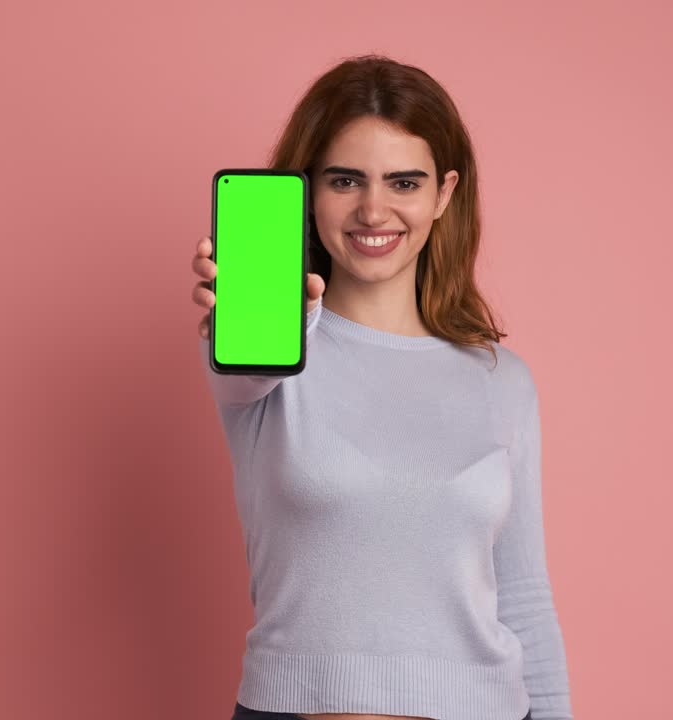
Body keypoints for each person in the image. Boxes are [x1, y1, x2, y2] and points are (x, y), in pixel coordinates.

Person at [192, 54, 572, 720]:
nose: (374, 209)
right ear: (307, 191)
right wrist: (255, 310)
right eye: (345, 180)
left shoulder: (501, 382)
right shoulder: (267, 354)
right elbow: (245, 372)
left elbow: (524, 600)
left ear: (443, 194)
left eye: (404, 182)